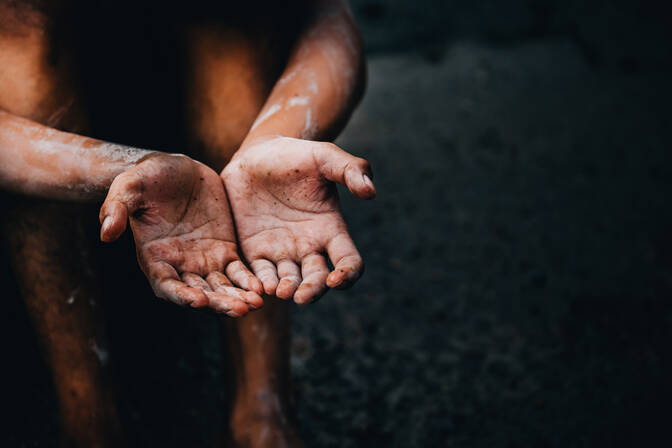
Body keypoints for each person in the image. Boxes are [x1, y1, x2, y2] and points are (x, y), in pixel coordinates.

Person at [0, 0, 375, 446]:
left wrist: (273, 137)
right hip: (51, 107)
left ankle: (262, 403)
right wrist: (119, 169)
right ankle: (87, 416)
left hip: (189, 99)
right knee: (21, 24)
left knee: (232, 17)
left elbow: (327, 16)